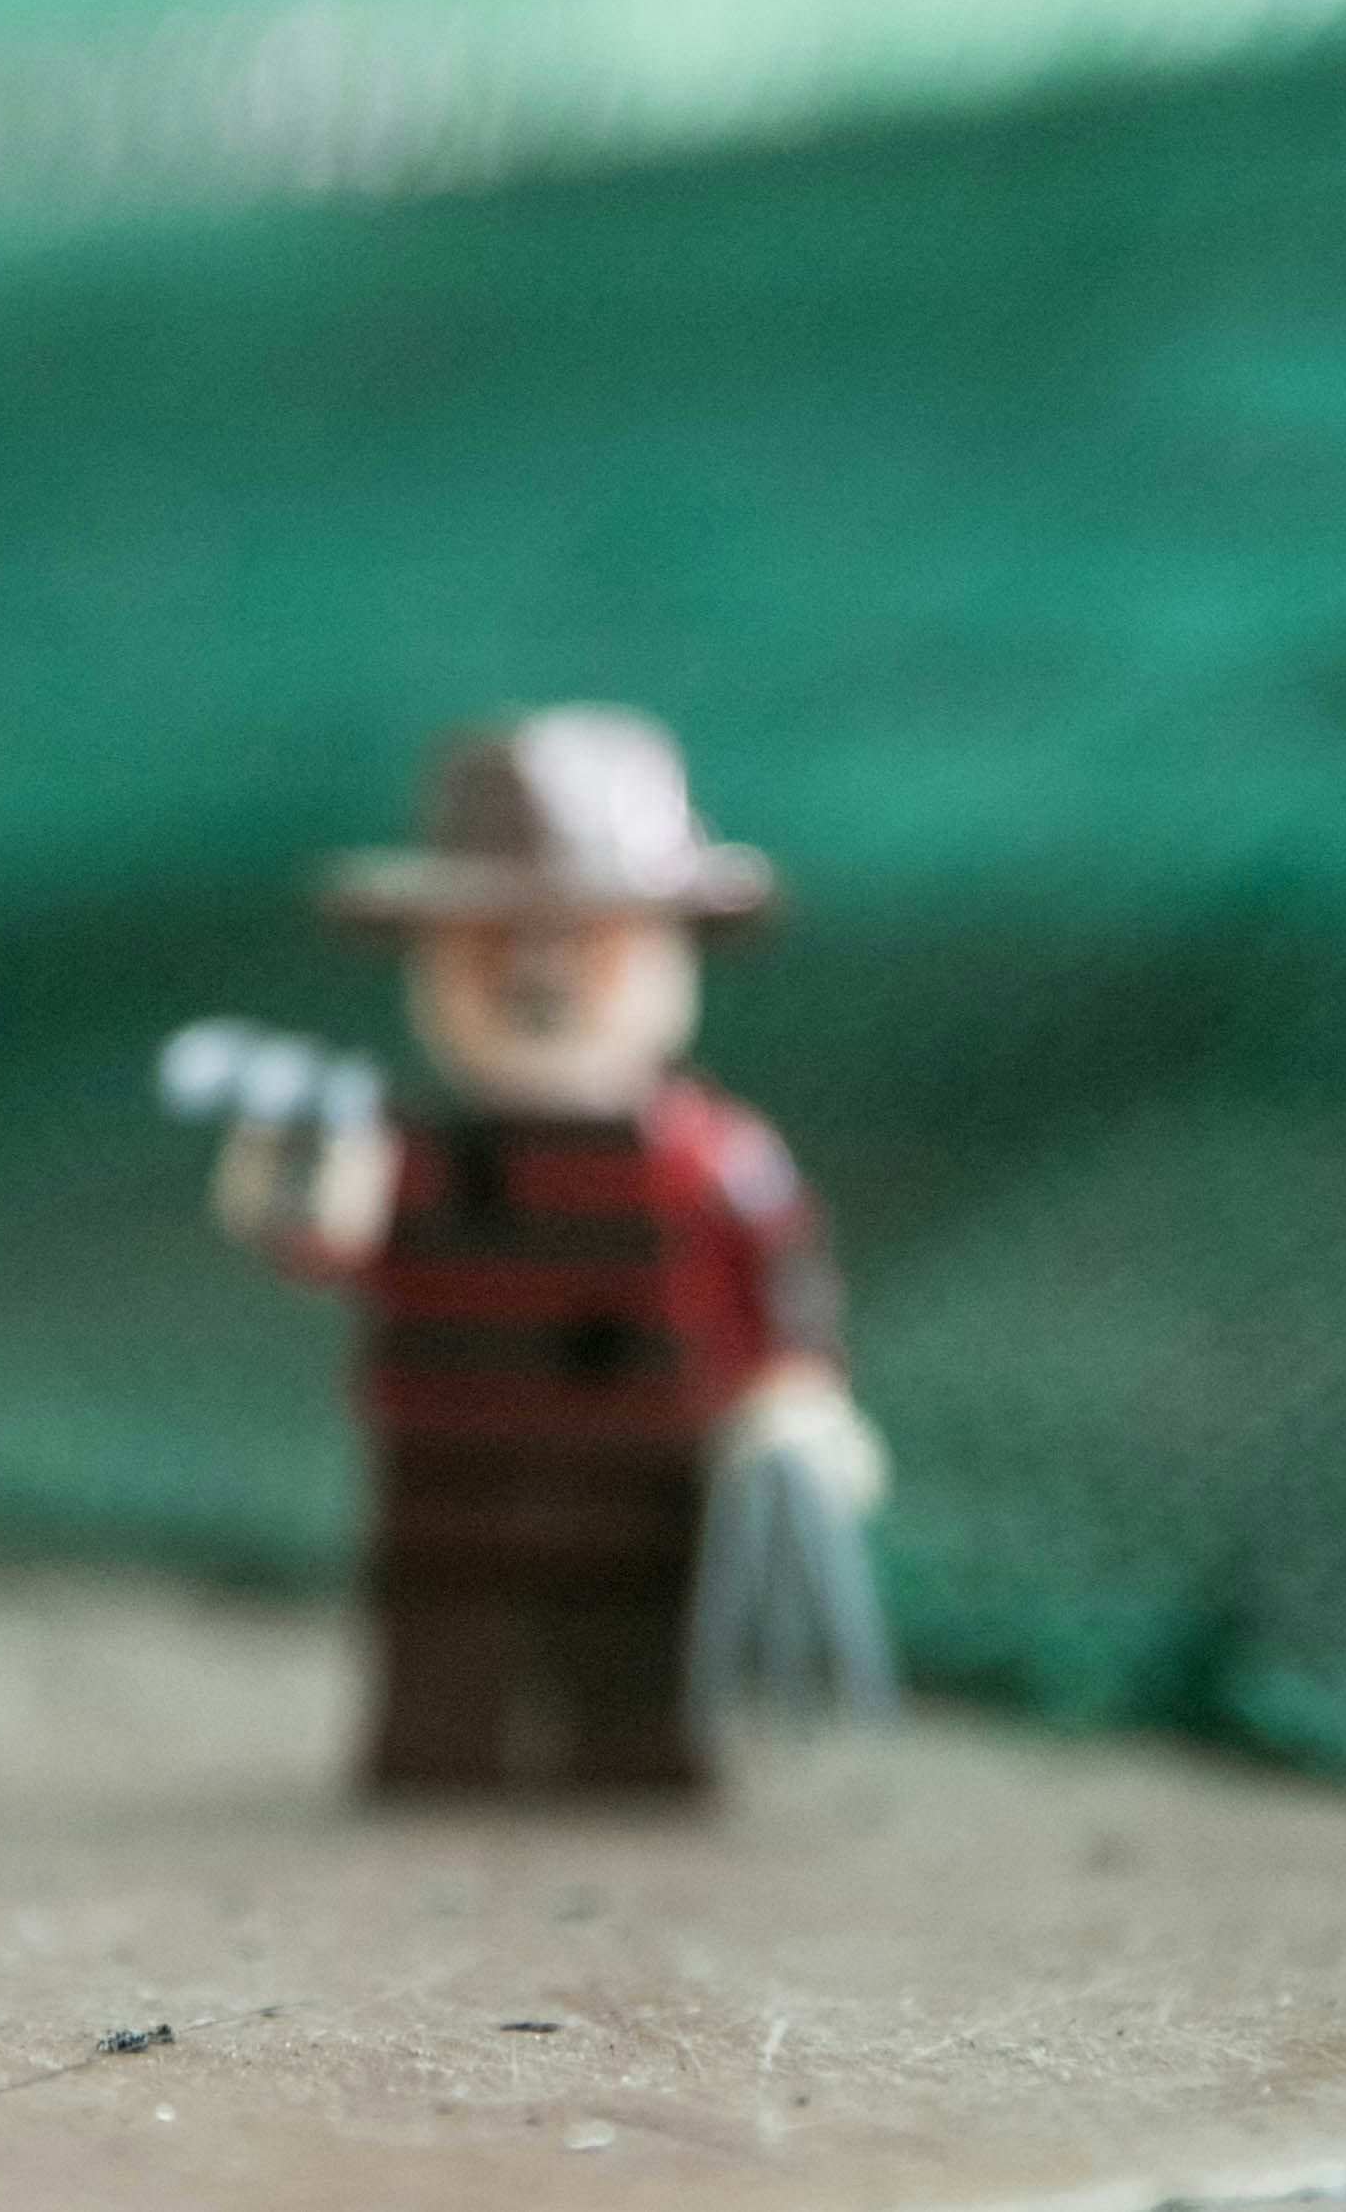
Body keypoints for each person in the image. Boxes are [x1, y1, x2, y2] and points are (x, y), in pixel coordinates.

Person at [172, 706, 887, 1796]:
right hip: (447, 1482)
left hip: (645, 1483)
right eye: (494, 939)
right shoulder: (399, 1153)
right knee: (441, 1716)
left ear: (671, 954)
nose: (538, 972)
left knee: (637, 1713)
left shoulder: (709, 1160)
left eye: (586, 937)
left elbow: (778, 1278)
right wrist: (293, 1183)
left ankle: (637, 1759)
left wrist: (793, 1392)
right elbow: (323, 1241)